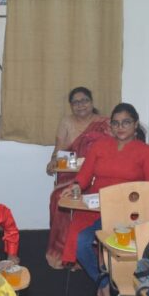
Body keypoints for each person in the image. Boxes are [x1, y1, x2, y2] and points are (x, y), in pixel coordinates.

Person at [61, 103, 149, 296]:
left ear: (135, 125)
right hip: (95, 208)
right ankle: (103, 282)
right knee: (80, 242)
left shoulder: (147, 152)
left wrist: (133, 205)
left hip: (128, 213)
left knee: (103, 242)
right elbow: (84, 176)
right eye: (115, 123)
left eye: (126, 123)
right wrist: (76, 187)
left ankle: (110, 279)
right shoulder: (100, 146)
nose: (120, 127)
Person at [45, 87, 112, 269]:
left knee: (92, 199)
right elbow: (58, 151)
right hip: (71, 175)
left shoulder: (104, 123)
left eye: (84, 101)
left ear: (91, 102)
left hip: (98, 175)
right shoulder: (66, 122)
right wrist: (53, 161)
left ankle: (90, 253)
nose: (81, 105)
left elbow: (111, 152)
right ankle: (63, 252)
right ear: (71, 106)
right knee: (58, 198)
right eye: (76, 102)